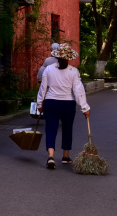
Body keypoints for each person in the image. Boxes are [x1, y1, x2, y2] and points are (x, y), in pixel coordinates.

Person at [36, 42, 90, 170]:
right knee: (67, 128)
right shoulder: (73, 71)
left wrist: (40, 103)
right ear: (67, 58)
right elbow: (78, 91)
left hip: (51, 103)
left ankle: (51, 156)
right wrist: (85, 107)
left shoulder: (48, 69)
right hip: (68, 104)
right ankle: (65, 157)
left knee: (50, 129)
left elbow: (43, 89)